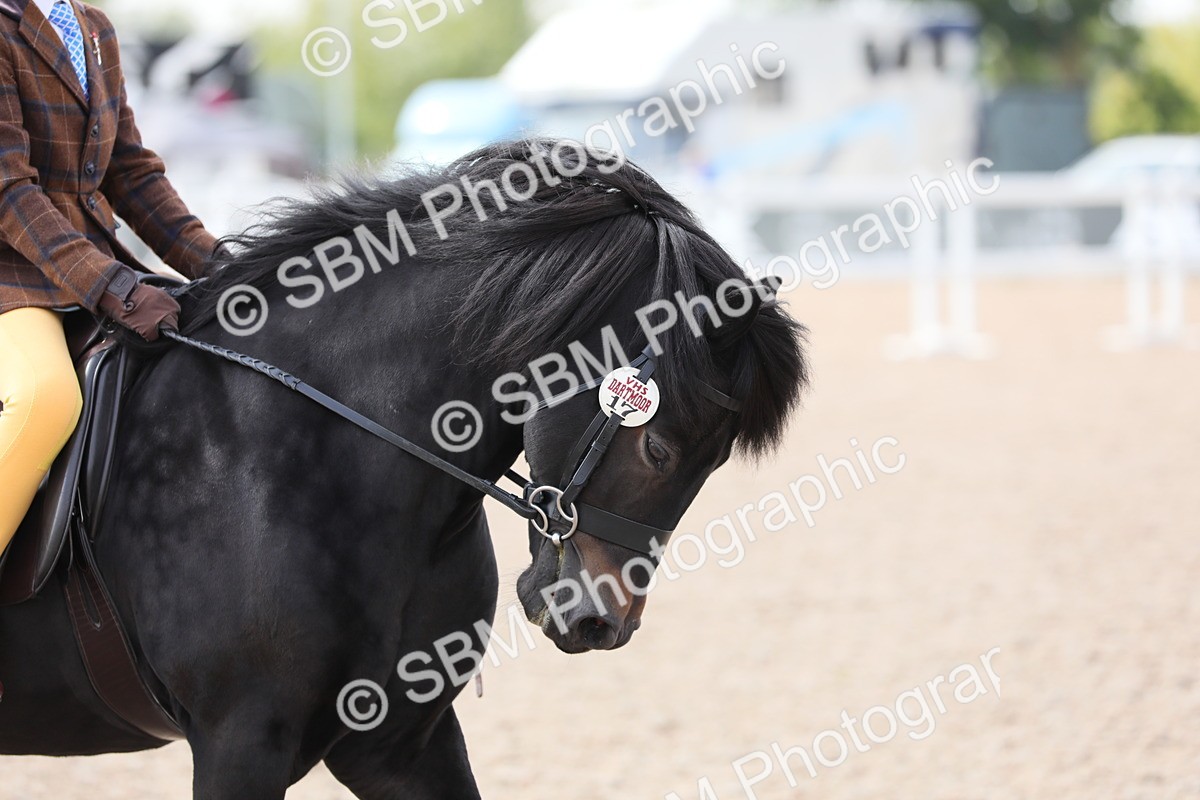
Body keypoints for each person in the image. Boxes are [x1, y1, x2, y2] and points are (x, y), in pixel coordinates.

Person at [0, 0, 223, 555]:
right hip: (14, 274)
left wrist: (222, 265)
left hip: (94, 264)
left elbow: (129, 170)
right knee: (45, 397)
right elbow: (9, 191)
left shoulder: (93, 26)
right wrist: (111, 286)